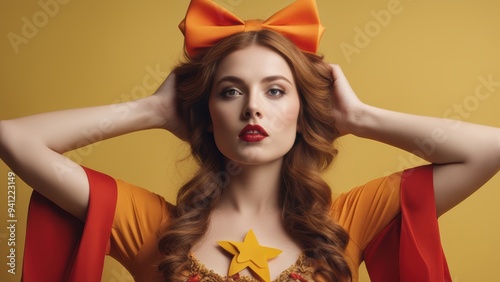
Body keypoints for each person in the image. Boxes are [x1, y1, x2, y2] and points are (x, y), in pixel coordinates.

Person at [1, 0, 499, 281]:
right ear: (206, 110)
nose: (252, 108)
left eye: (276, 91)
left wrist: (360, 116)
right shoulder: (152, 226)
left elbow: (489, 149)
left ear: (302, 109)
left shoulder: (347, 223)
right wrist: (148, 109)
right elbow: (15, 138)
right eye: (230, 91)